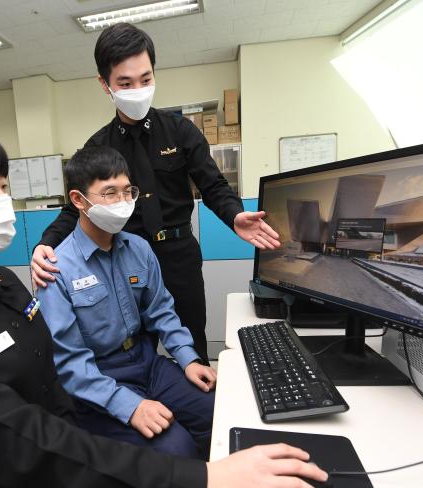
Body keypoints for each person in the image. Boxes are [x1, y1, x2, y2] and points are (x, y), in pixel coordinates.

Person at [0, 115, 328, 488]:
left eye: (3, 186)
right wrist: (193, 472)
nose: (0, 202)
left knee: (224, 411)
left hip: (93, 417)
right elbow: (27, 439)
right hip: (41, 462)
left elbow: (54, 391)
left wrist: (182, 359)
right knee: (177, 448)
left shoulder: (2, 283)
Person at [31, 23, 280, 365]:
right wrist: (45, 243)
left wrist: (234, 214)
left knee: (191, 342)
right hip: (125, 258)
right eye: (125, 83)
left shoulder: (180, 131)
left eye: (146, 79)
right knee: (135, 348)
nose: (138, 89)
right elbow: (76, 208)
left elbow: (213, 185)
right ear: (105, 84)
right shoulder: (98, 147)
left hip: (179, 255)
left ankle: (198, 406)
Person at [37, 146, 217, 459]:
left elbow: (162, 312)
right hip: (99, 375)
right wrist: (129, 406)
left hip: (146, 360)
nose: (123, 203)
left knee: (215, 409)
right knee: (175, 446)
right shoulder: (56, 269)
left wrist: (188, 357)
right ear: (79, 200)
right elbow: (68, 362)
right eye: (109, 193)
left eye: (127, 191)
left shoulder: (139, 249)